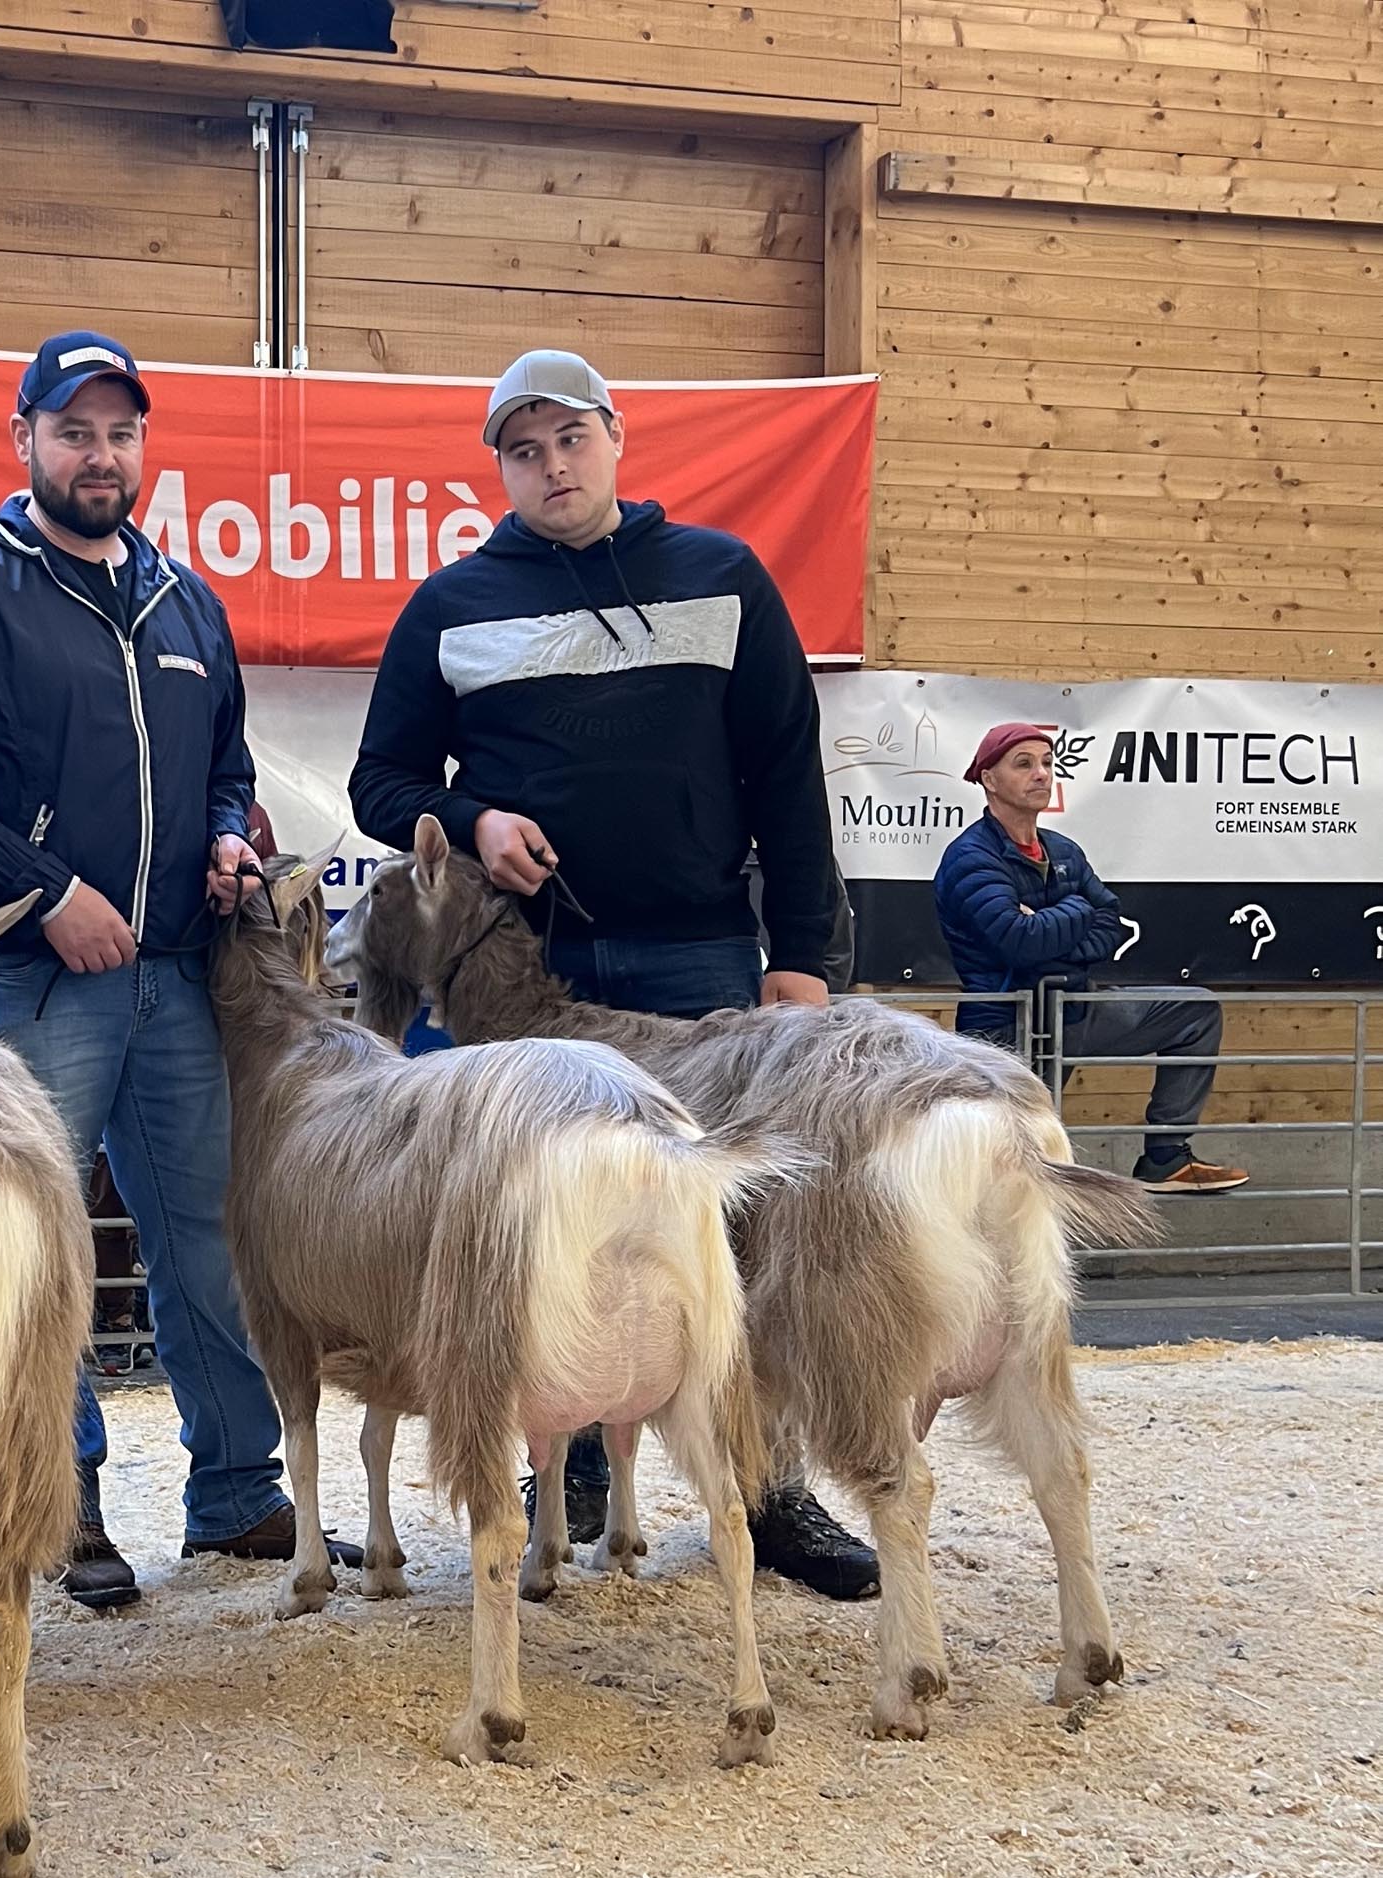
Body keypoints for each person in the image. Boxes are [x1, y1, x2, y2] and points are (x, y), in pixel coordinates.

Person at [347, 346, 877, 1603]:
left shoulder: (721, 577)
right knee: (548, 1216)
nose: (552, 466)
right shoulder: (451, 605)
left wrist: (803, 961)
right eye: (523, 450)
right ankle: (569, 1464)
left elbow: (787, 779)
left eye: (570, 438)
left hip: (700, 960)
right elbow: (381, 782)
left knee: (738, 1223)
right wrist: (471, 820)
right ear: (500, 468)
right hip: (530, 971)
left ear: (615, 438)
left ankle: (767, 1484)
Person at [0, 329, 357, 1606]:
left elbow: (227, 767)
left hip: (177, 978)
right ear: (22, 439)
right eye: (73, 431)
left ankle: (237, 1491)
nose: (99, 454)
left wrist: (223, 838)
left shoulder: (184, 599)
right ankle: (58, 1501)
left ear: (144, 446)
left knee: (206, 1235)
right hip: (33, 979)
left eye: (120, 433)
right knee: (35, 1245)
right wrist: (49, 894)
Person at [933, 724, 1248, 1193]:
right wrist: (1076, 910)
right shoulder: (970, 858)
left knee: (1195, 1010)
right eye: (1024, 764)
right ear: (989, 780)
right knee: (1011, 1170)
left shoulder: (1063, 850)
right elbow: (1019, 942)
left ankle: (1165, 1159)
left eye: (1047, 762)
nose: (1042, 773)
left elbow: (1110, 924)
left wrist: (1052, 932)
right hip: (1007, 1027)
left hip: (1077, 1008)